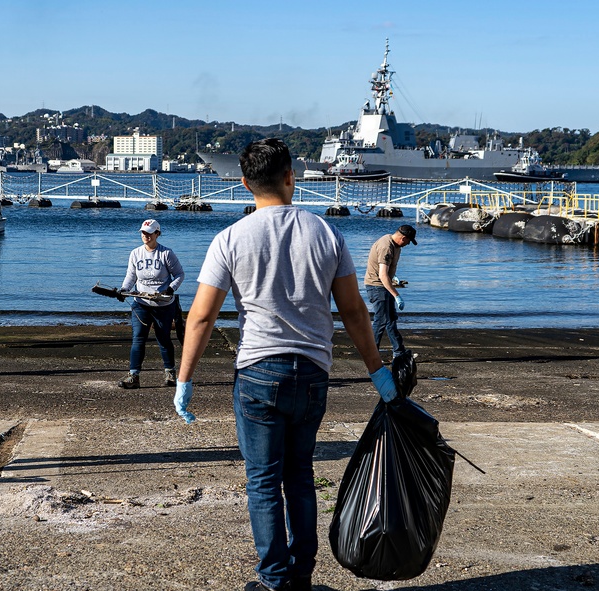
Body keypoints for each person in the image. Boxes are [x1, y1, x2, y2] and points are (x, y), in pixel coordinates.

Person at [173, 139, 398, 591]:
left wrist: (185, 380)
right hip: (313, 372)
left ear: (243, 184)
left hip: (258, 372)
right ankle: (301, 578)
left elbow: (200, 315)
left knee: (263, 481)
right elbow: (353, 311)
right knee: (300, 475)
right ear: (291, 176)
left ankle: (273, 581)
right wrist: (378, 371)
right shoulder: (325, 232)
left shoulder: (230, 238)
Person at [117, 219, 185, 389]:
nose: (145, 236)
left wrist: (171, 288)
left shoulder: (166, 253)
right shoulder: (135, 253)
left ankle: (170, 373)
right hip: (140, 303)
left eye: (149, 233)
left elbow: (179, 274)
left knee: (163, 339)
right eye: (143, 233)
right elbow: (131, 276)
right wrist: (123, 290)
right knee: (138, 338)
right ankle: (134, 376)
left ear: (157, 234)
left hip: (163, 304)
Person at [364, 224, 416, 361]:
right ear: (403, 238)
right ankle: (372, 354)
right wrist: (397, 295)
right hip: (376, 286)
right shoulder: (385, 246)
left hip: (385, 285)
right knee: (381, 321)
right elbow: (382, 275)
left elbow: (388, 271)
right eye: (408, 241)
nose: (408, 244)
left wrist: (394, 278)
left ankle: (399, 351)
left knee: (391, 319)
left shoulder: (396, 246)